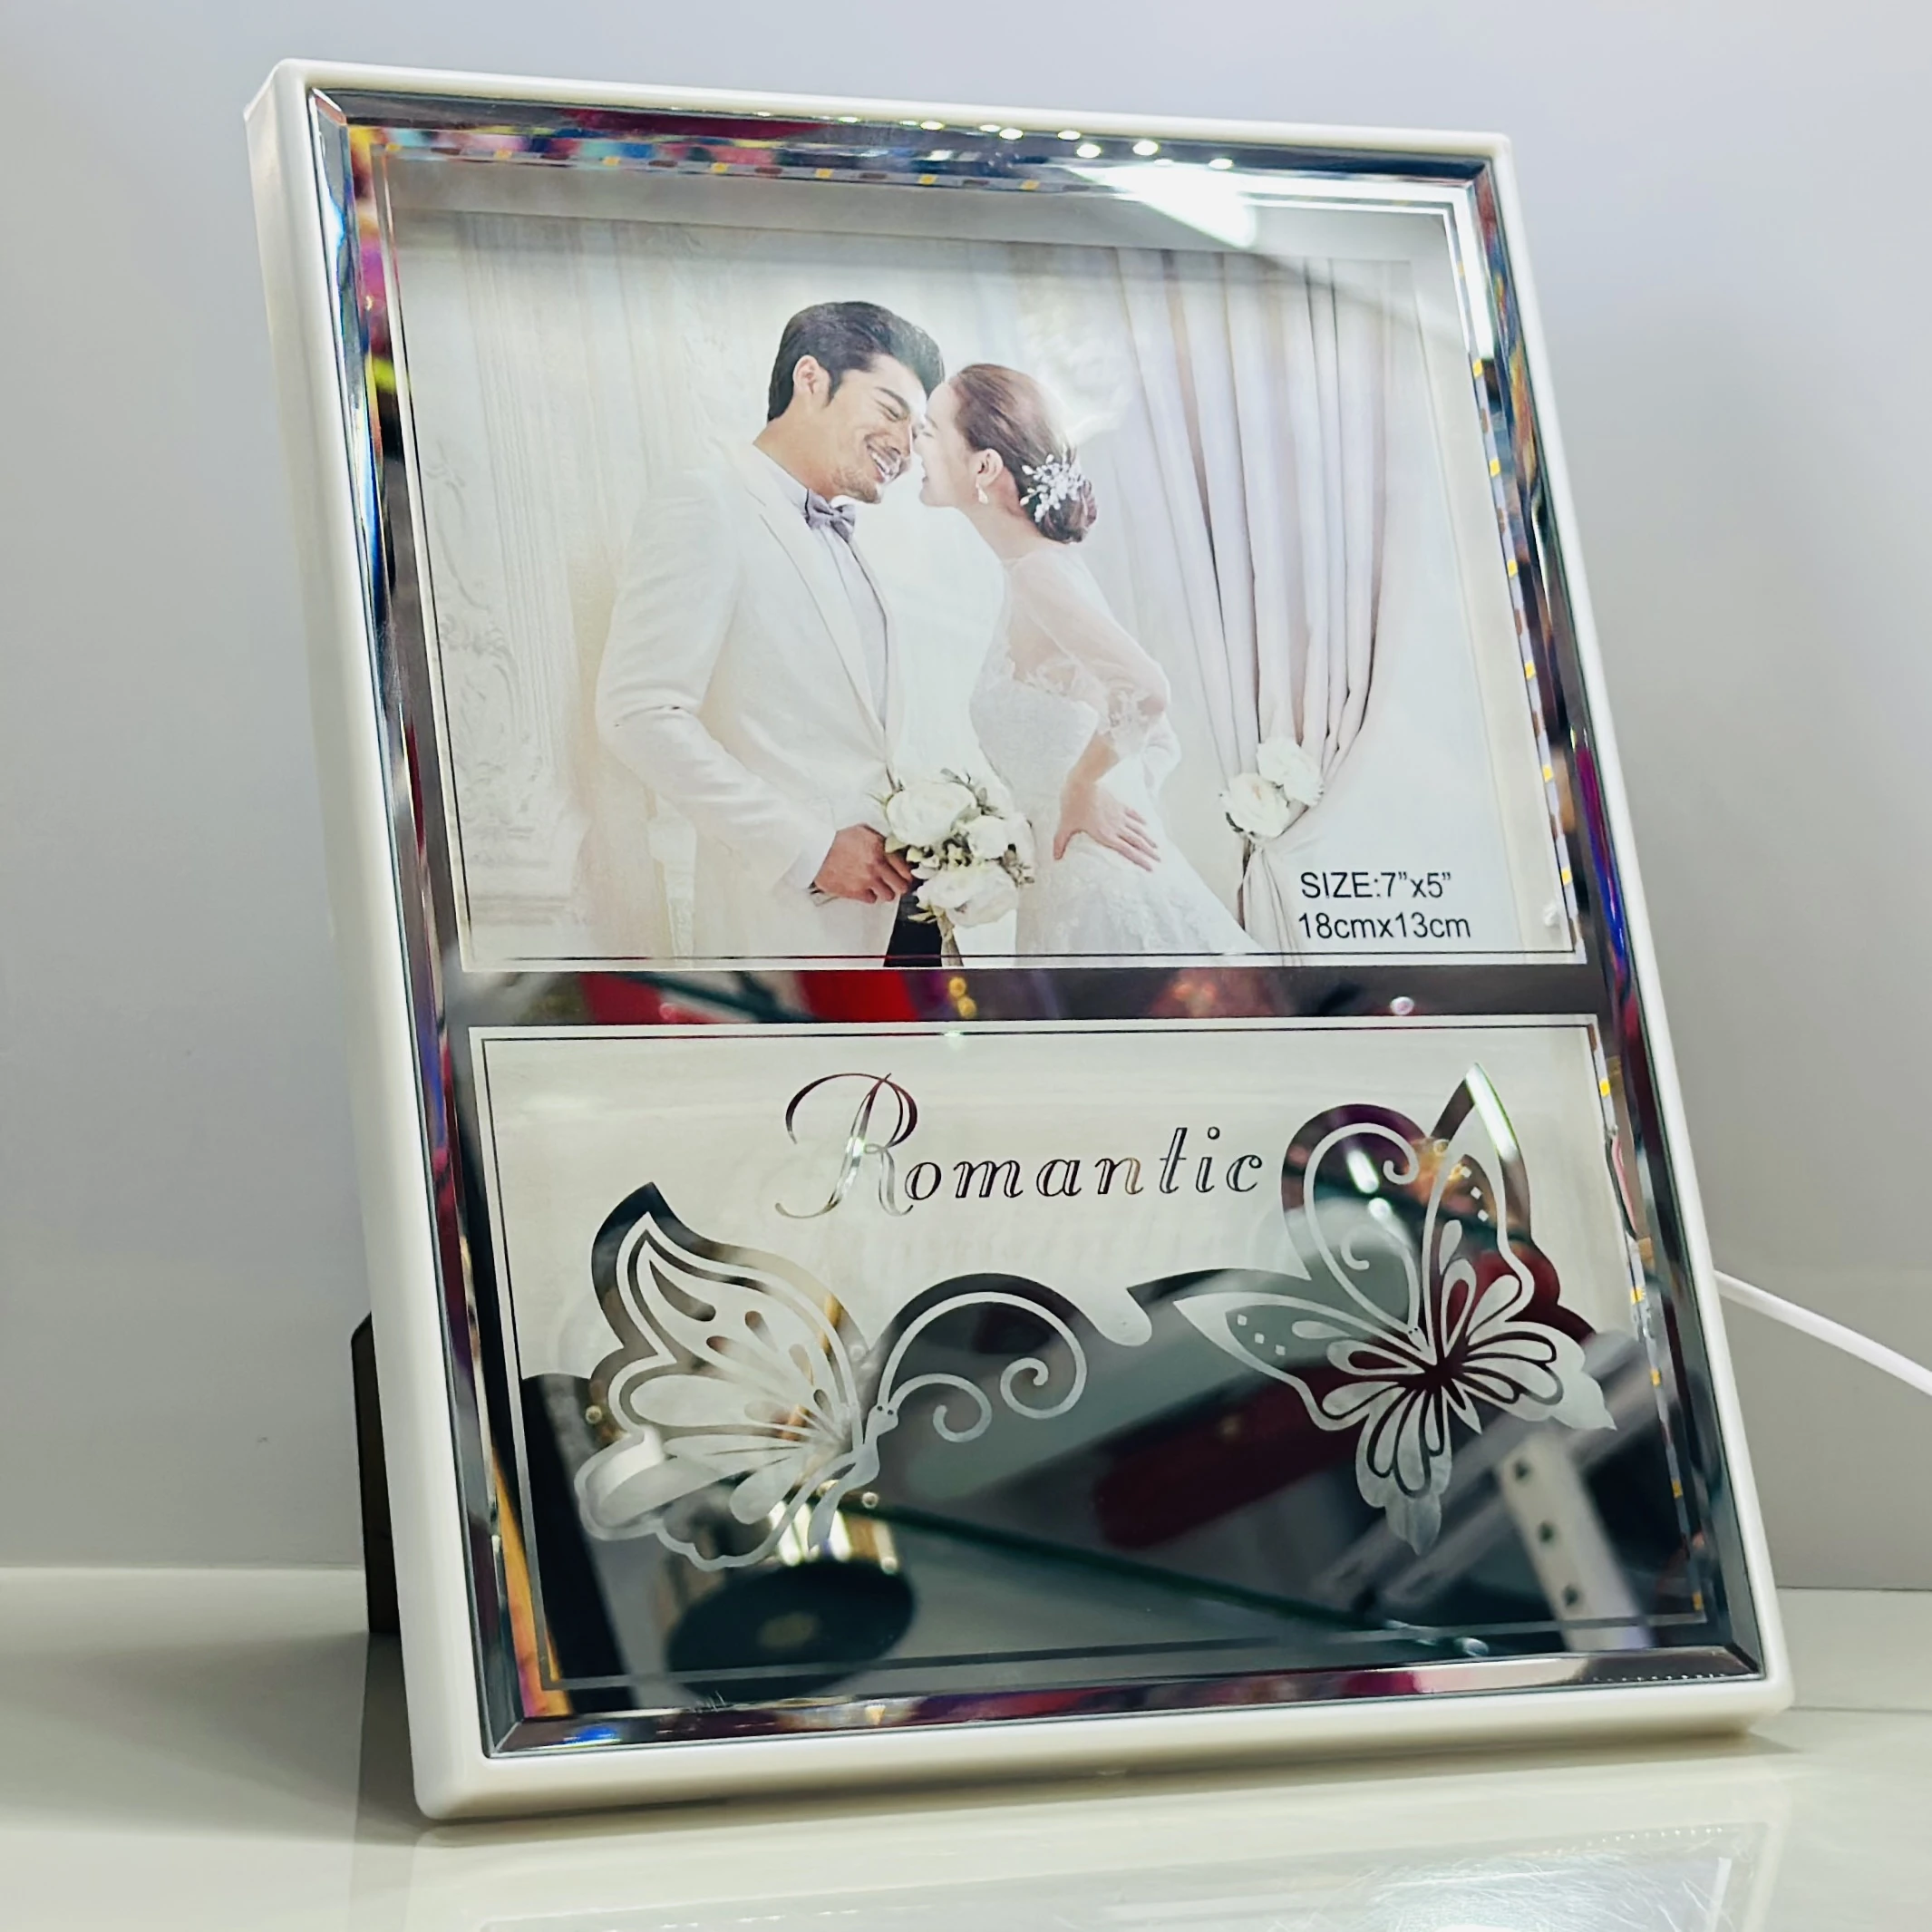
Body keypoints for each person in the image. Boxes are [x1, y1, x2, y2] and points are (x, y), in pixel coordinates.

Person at [596, 301, 945, 961]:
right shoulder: (706, 502)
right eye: (890, 410)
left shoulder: (852, 545)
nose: (904, 446)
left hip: (898, 924)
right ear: (810, 378)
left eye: (917, 429)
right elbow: (637, 713)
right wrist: (810, 849)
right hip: (788, 924)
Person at [914, 364, 1257, 956]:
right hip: (1068, 882)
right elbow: (1154, 739)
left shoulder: (1040, 572)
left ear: (984, 466)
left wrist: (1081, 784)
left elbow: (1147, 690)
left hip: (1098, 889)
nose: (915, 441)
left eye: (931, 428)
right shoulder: (1033, 572)